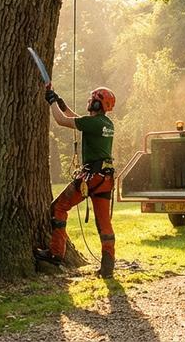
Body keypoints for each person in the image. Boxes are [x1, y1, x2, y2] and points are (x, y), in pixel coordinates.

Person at [35, 85, 117, 278]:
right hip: (105, 178)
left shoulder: (94, 123)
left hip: (92, 177)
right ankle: (108, 267)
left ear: (98, 102)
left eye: (92, 98)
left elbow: (62, 121)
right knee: (104, 223)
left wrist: (52, 101)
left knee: (59, 207)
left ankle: (56, 254)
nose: (90, 101)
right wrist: (62, 104)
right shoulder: (106, 123)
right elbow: (78, 119)